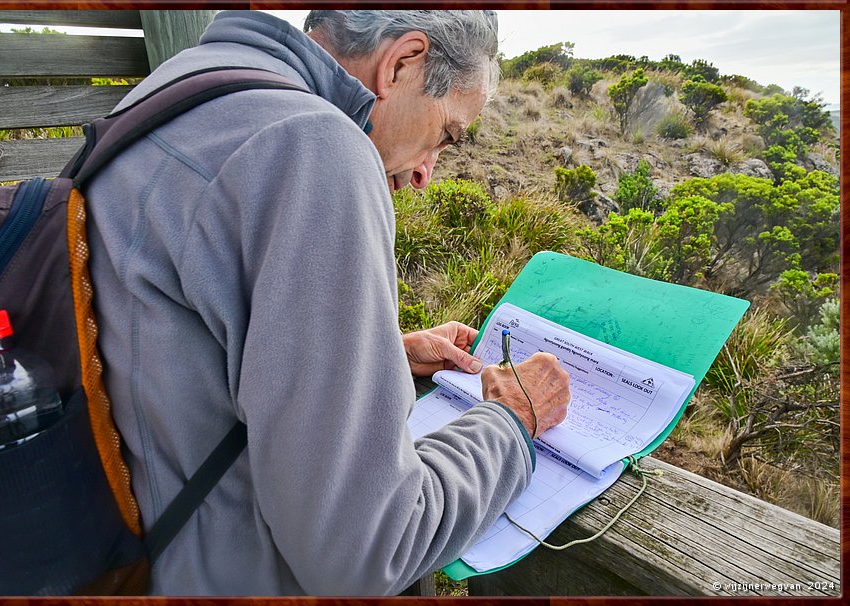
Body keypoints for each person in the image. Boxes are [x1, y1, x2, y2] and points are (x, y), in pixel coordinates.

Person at [85, 10, 570, 596]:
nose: (425, 174)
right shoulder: (316, 146)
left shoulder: (188, 84)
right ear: (401, 63)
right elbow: (366, 551)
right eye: (446, 134)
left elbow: (183, 330)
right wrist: (512, 423)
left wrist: (379, 354)